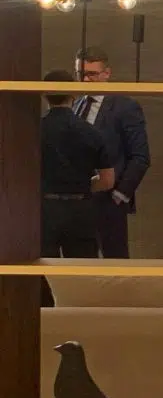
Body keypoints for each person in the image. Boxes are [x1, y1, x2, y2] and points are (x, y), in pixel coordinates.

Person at [74, 46, 150, 257]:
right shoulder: (76, 104)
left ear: (106, 73)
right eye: (80, 74)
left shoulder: (124, 107)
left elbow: (140, 156)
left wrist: (120, 194)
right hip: (78, 200)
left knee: (114, 258)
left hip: (109, 200)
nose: (85, 80)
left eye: (92, 74)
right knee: (80, 260)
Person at [40, 69, 115, 257]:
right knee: (80, 269)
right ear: (73, 94)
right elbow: (107, 180)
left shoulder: (34, 130)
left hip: (43, 210)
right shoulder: (90, 132)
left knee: (42, 270)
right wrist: (82, 185)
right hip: (80, 210)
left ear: (44, 95)